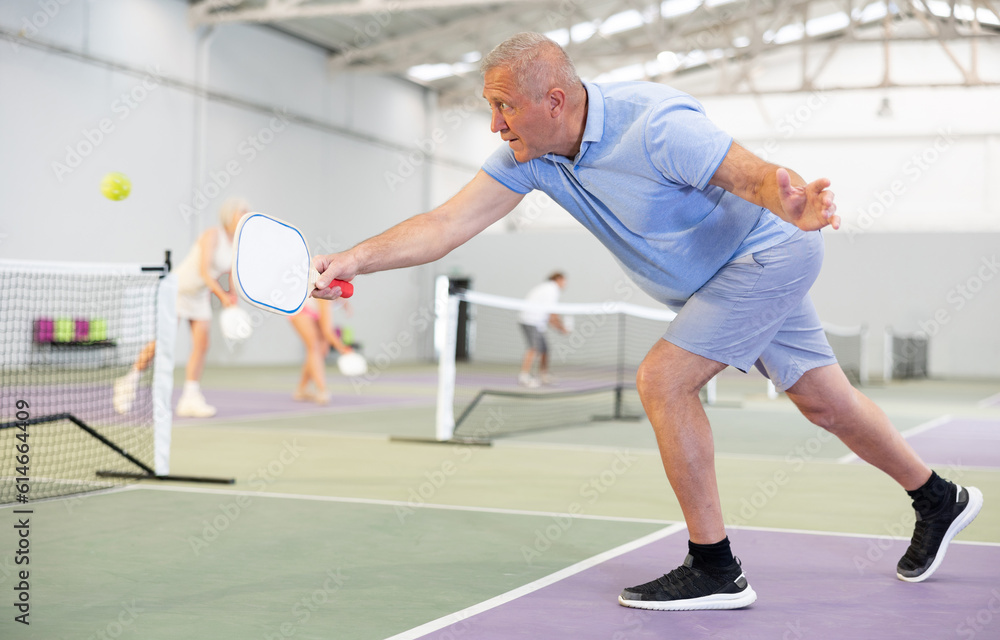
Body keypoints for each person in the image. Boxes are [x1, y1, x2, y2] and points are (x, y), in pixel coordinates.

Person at [311, 33, 982, 610]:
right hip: (728, 277)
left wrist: (797, 200)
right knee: (826, 402)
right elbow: (444, 224)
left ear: (556, 100)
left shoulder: (656, 124)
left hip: (769, 254)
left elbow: (751, 177)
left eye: (503, 106)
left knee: (663, 381)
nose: (494, 124)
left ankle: (714, 567)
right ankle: (937, 498)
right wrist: (356, 258)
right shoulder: (534, 157)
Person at [114, 197, 249, 418]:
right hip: (177, 290)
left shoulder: (237, 243)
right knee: (161, 342)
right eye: (241, 213)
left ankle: (190, 397)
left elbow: (231, 274)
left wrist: (233, 298)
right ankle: (128, 381)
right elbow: (205, 271)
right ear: (229, 215)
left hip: (199, 295)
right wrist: (223, 297)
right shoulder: (212, 235)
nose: (245, 216)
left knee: (202, 344)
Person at [289, 297, 353, 404]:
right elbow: (327, 331)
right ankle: (322, 390)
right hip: (300, 308)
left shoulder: (342, 292)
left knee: (323, 350)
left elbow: (342, 301)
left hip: (316, 310)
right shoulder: (326, 298)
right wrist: (342, 348)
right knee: (313, 346)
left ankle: (301, 389)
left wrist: (346, 306)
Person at [517, 272, 568, 387]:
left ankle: (543, 375)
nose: (565, 284)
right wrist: (562, 328)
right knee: (534, 348)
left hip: (537, 322)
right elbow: (552, 314)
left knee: (544, 349)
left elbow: (549, 316)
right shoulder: (552, 289)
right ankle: (524, 377)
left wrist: (559, 327)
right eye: (564, 281)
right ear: (558, 279)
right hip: (530, 320)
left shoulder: (546, 288)